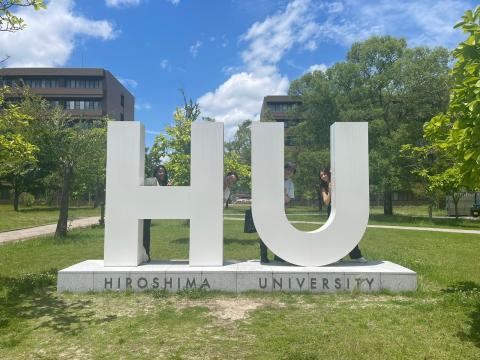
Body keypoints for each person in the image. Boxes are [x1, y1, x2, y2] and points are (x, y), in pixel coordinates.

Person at [319, 167, 367, 263]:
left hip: (343, 210)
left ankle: (356, 256)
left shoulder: (340, 180)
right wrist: (330, 190)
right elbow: (326, 202)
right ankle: (336, 257)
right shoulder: (323, 186)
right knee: (334, 234)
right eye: (321, 175)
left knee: (348, 232)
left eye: (324, 173)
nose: (323, 176)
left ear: (329, 173)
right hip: (331, 210)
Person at [260, 162, 296, 263]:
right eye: (287, 169)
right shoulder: (272, 179)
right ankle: (263, 255)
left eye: (292, 170)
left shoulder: (290, 184)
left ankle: (278, 255)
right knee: (265, 232)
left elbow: (289, 200)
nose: (289, 172)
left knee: (279, 233)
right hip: (267, 209)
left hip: (280, 211)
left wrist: (283, 194)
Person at [143, 165, 170, 263]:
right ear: (155, 173)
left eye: (163, 172)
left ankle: (146, 254)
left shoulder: (162, 184)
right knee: (144, 233)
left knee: (146, 233)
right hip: (142, 210)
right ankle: (146, 254)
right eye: (159, 171)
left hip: (148, 213)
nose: (162, 173)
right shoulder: (150, 181)